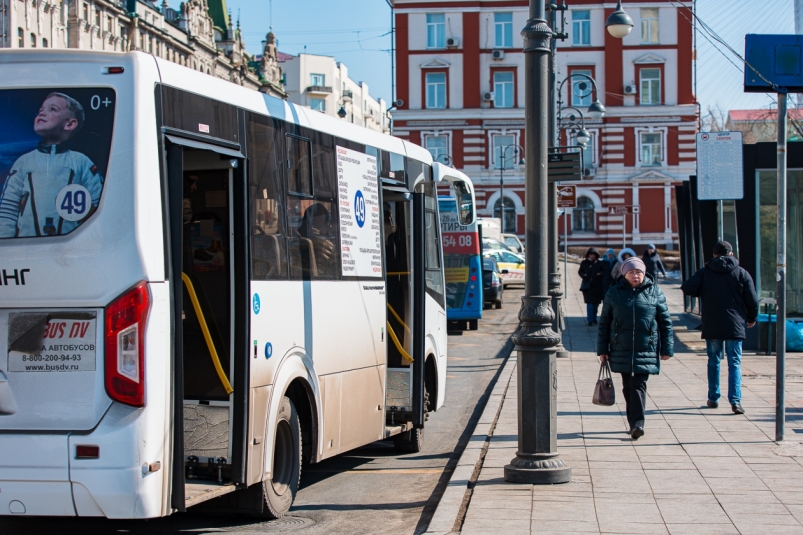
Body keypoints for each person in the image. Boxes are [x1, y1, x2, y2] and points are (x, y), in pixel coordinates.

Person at [0, 92, 103, 238]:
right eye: (41, 110)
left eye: (52, 109)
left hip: (71, 250)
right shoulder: (23, 162)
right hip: (26, 251)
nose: (42, 113)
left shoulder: (81, 163)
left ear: (70, 124)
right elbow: (8, 209)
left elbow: (99, 207)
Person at [597, 257, 674, 439]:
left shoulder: (655, 293)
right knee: (627, 386)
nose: (635, 275)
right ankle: (633, 421)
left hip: (645, 347)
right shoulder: (614, 293)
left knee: (638, 384)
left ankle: (637, 424)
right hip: (620, 347)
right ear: (624, 274)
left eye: (638, 272)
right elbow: (604, 323)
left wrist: (667, 349)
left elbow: (665, 323)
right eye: (631, 272)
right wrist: (603, 350)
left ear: (643, 273)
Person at [680, 240, 758, 415]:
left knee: (714, 361)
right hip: (735, 325)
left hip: (713, 324)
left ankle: (713, 398)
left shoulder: (705, 272)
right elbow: (752, 300)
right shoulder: (741, 273)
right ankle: (735, 401)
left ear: (714, 255)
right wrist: (751, 318)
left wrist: (703, 291)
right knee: (735, 363)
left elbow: (687, 287)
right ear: (731, 254)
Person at [578, 247, 605, 326]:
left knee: (596, 304)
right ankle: (589, 319)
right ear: (588, 255)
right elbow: (580, 271)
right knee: (589, 303)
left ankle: (594, 318)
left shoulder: (599, 263)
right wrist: (583, 275)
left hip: (597, 286)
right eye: (591, 254)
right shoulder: (584, 263)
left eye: (593, 255)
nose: (592, 256)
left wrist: (600, 273)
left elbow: (604, 271)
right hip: (587, 287)